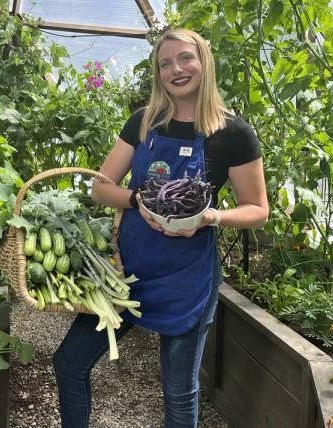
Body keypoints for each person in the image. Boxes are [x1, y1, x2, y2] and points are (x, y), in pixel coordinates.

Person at [52, 28, 269, 427]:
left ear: (204, 62)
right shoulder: (144, 122)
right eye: (165, 63)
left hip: (186, 282)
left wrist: (211, 217)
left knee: (179, 393)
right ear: (158, 74)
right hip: (125, 274)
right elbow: (102, 188)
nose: (176, 69)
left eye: (186, 58)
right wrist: (136, 199)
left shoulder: (233, 134)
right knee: (68, 361)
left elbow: (257, 209)